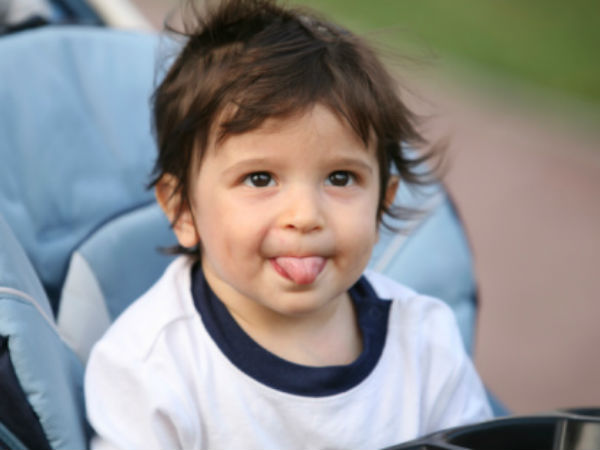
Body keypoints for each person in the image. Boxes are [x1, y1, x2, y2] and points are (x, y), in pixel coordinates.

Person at [84, 0, 492, 448]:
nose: (305, 216)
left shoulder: (425, 341)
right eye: (260, 179)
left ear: (382, 203)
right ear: (183, 209)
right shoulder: (149, 368)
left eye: (341, 178)